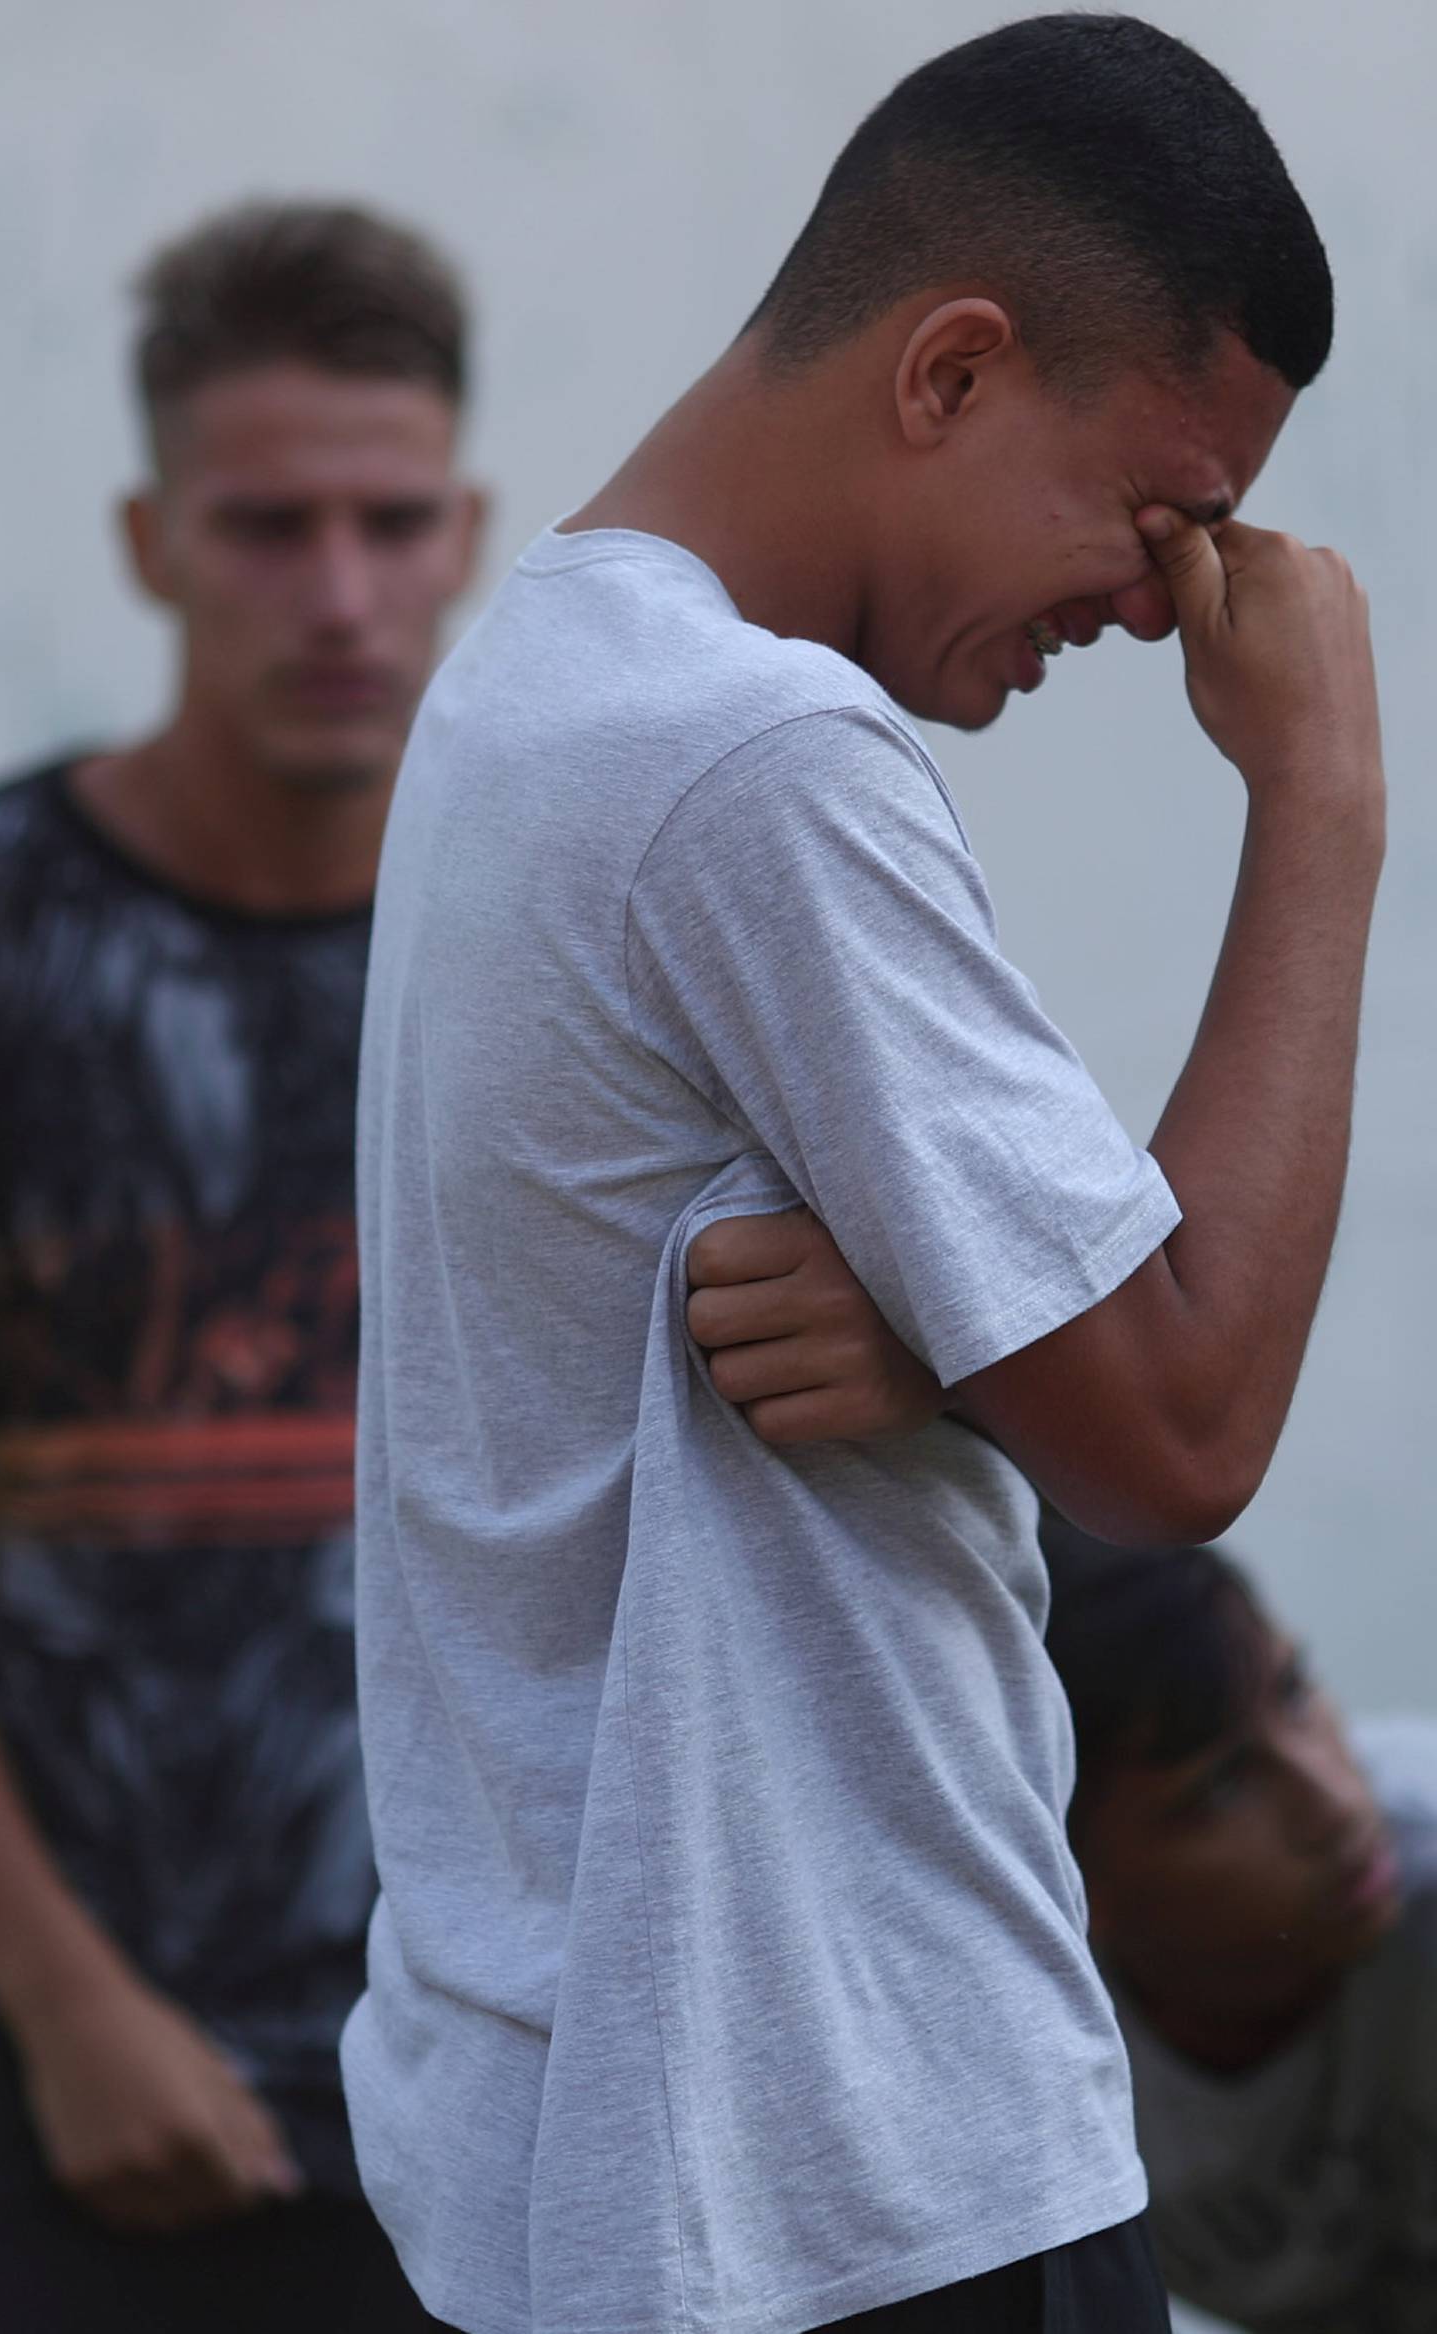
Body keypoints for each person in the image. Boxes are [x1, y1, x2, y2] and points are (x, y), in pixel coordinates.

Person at [0, 196, 920, 2334]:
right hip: (32, 2057)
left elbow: (878, 1408)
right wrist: (63, 1999)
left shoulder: (598, 919)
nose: (339, 596)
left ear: (469, 527)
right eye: (268, 527)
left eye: (388, 521)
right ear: (147, 539)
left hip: (513, 2066)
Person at [348, 15, 1383, 2334]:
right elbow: (1183, 1421)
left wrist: (955, 1338)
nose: (1161, 607)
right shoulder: (752, 754)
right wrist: (1318, 803)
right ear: (949, 373)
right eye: (1157, 512)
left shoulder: (531, 680)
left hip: (585, 2117)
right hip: (835, 2151)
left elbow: (1012, 1364)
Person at [1042, 1517, 1437, 2333]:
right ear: (1073, 1887)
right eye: (1221, 1788)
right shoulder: (1023, 2052)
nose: (1333, 1806)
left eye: (1295, 1692)